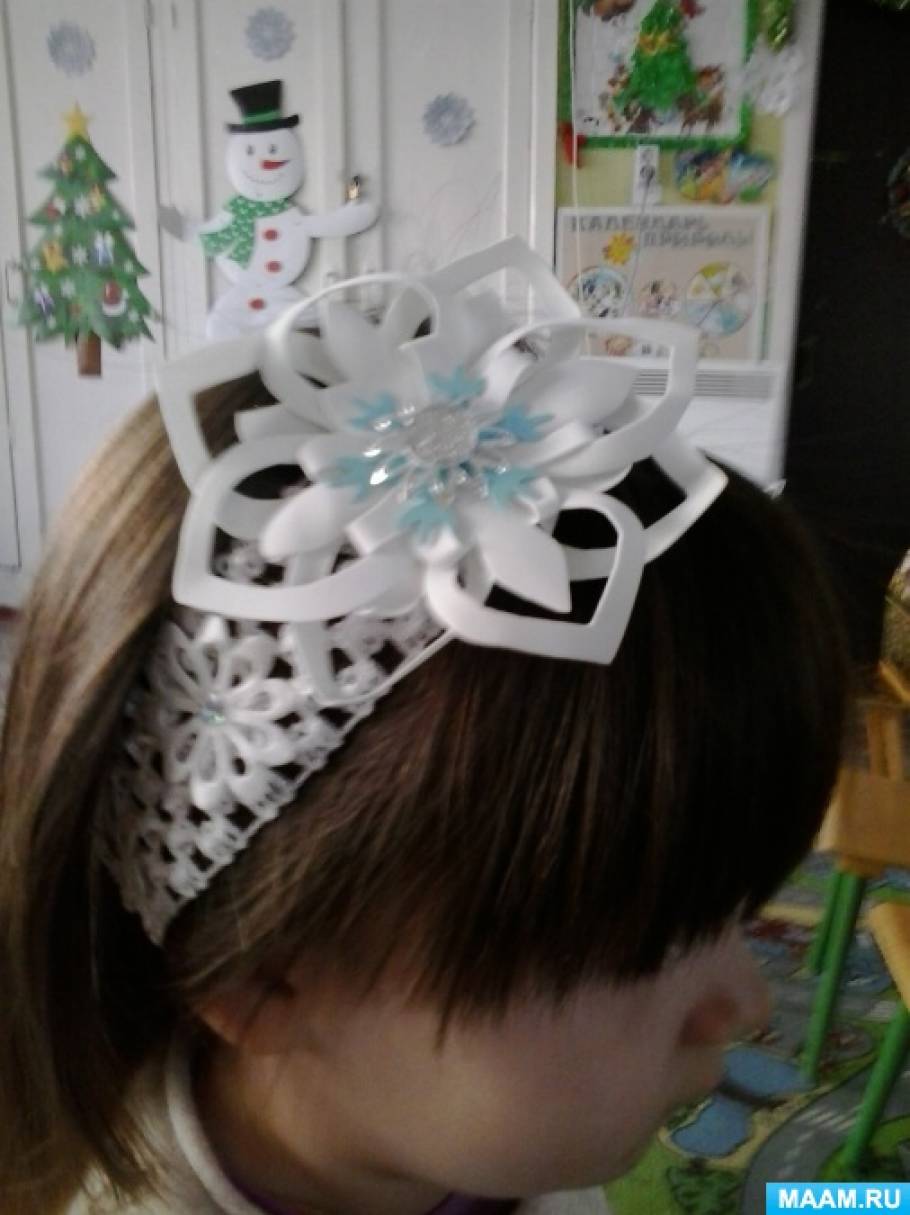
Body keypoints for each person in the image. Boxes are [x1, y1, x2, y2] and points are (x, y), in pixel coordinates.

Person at [0, 242, 847, 1215]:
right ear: (270, 979)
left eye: (736, 915)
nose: (747, 1003)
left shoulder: (477, 1143)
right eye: (646, 952)